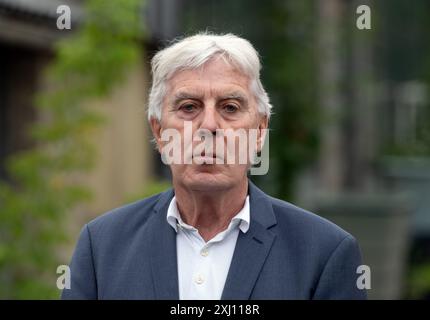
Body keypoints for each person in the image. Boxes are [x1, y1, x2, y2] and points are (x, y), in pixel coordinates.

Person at [62, 33, 367, 300]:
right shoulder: (102, 247)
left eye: (230, 108)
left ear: (260, 131)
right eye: (189, 107)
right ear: (158, 131)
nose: (208, 125)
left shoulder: (324, 254)